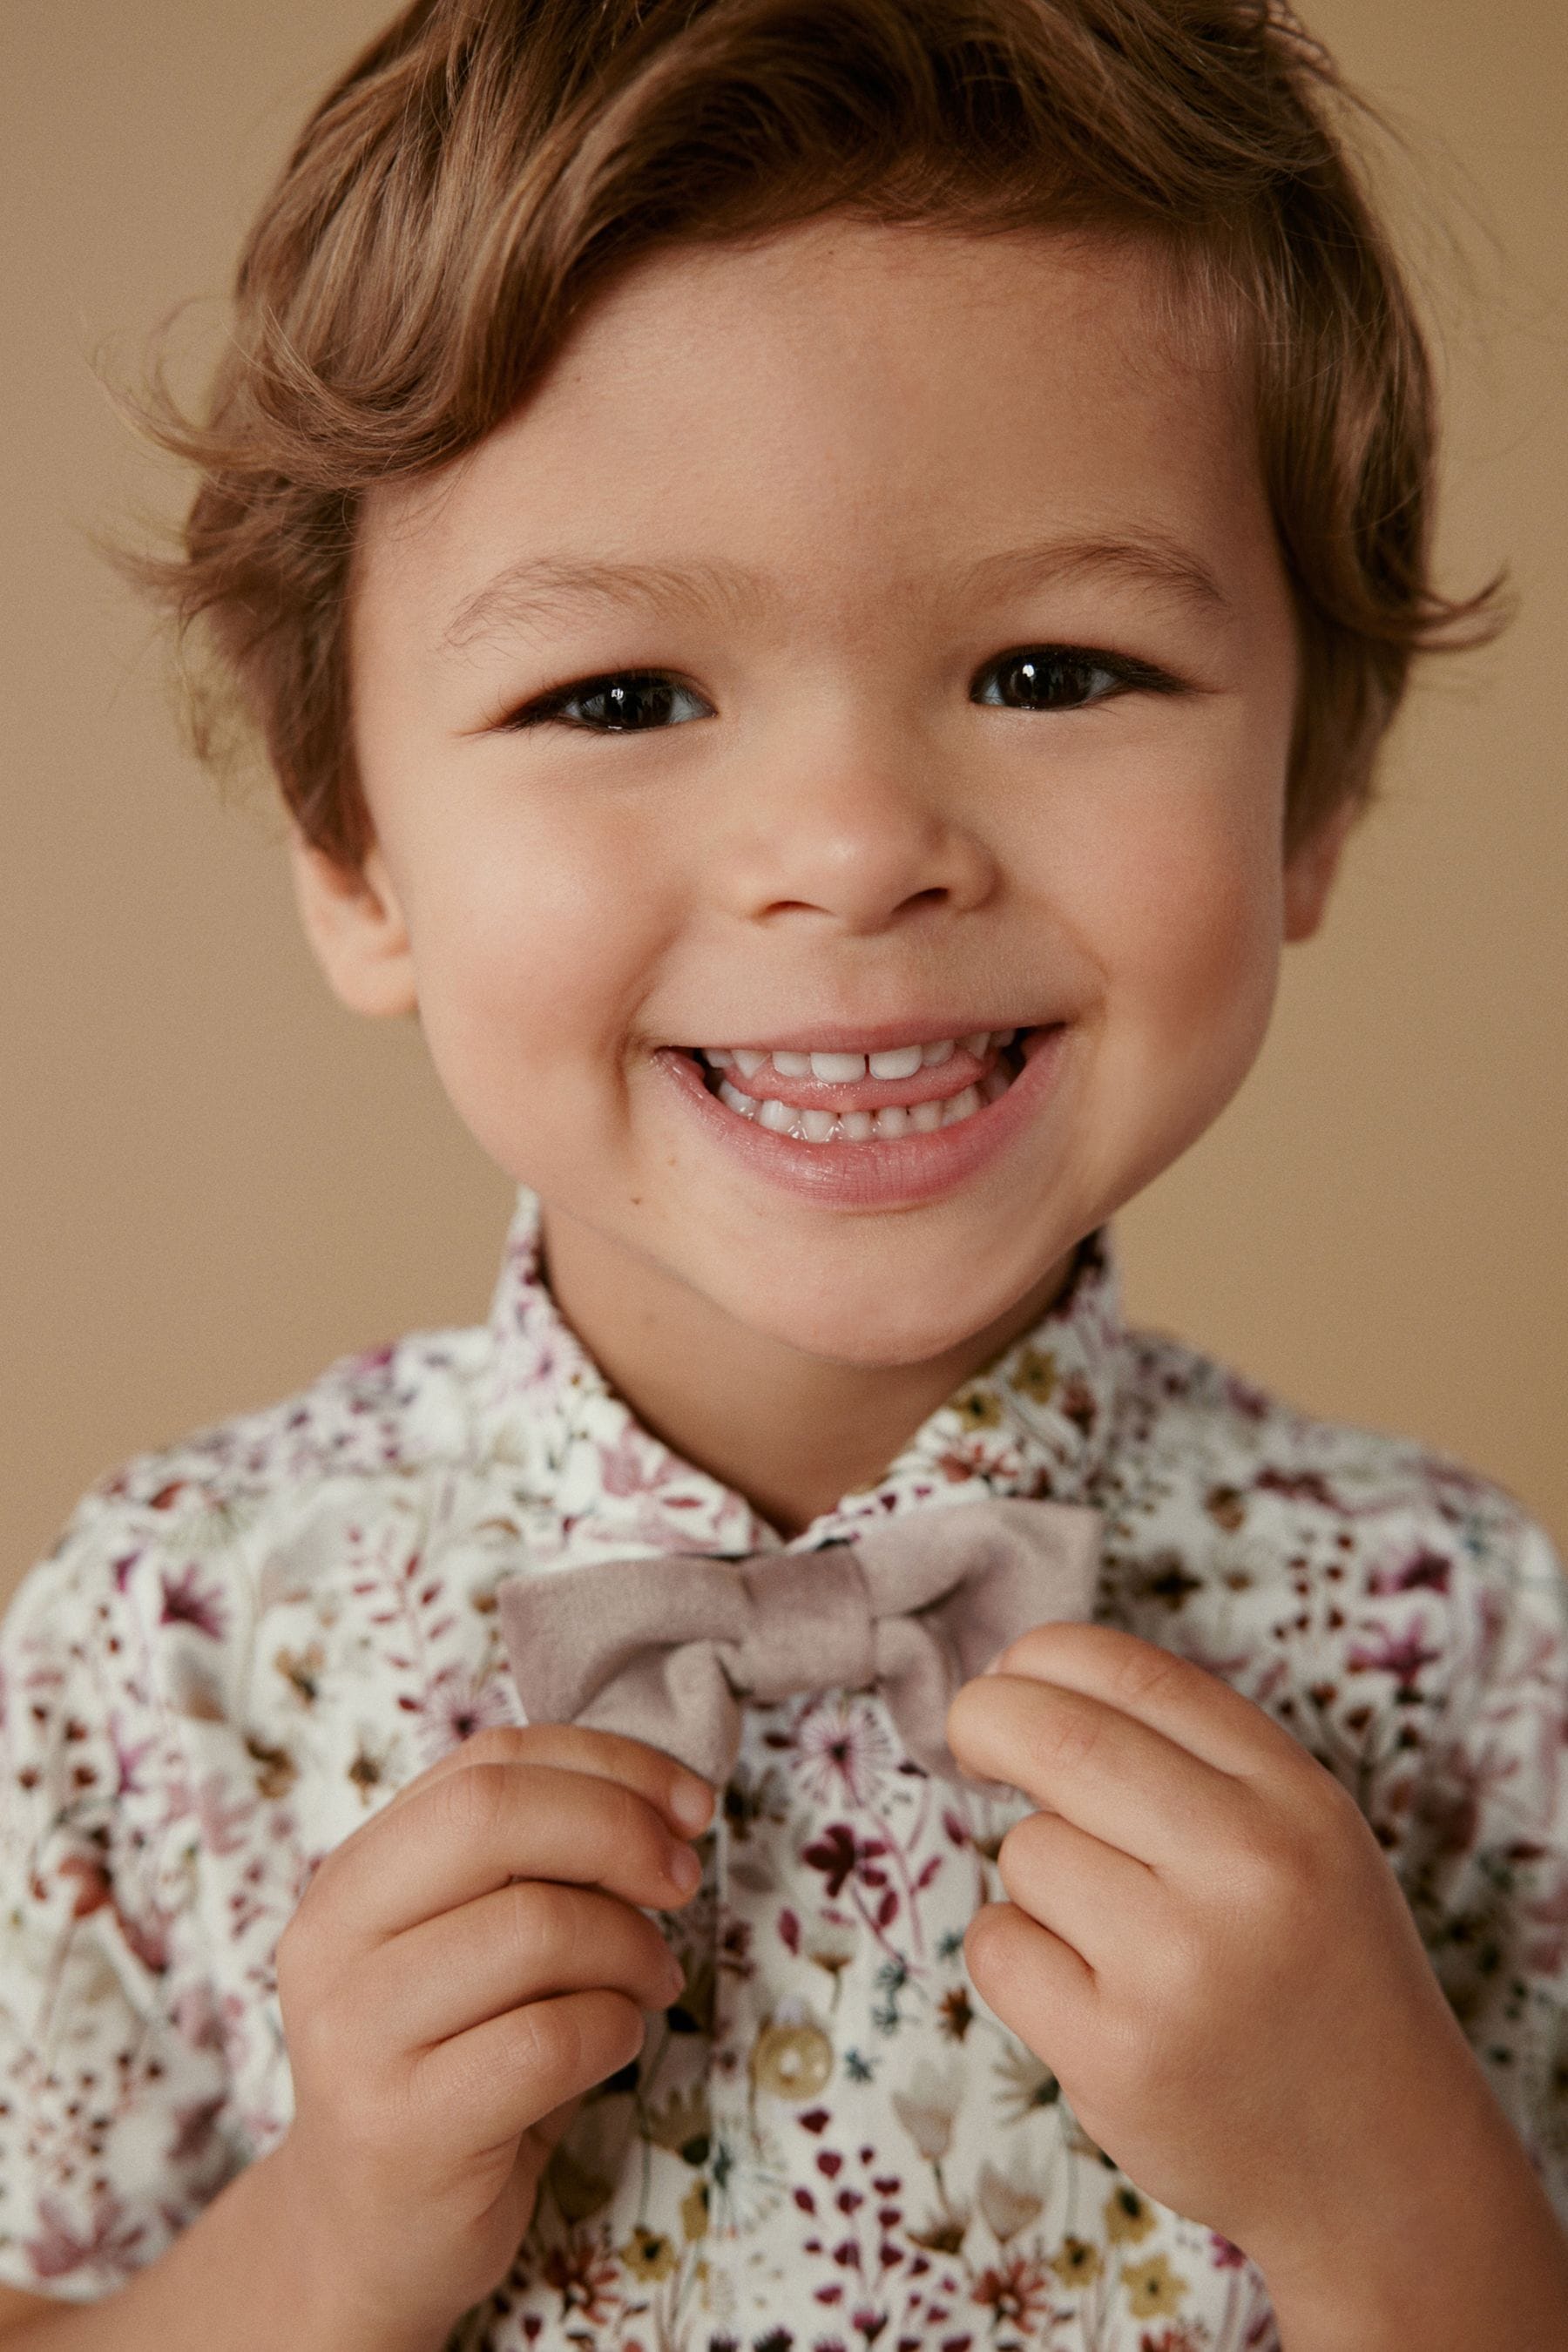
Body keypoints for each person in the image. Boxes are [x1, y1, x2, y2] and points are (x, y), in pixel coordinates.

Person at [2, 1, 1565, 2346]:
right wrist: (325, 2236)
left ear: (1312, 798)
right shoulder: (173, 1650)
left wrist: (1404, 2196)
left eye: (1053, 669)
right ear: (354, 849)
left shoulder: (1463, 1645)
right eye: (621, 696)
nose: (850, 850)